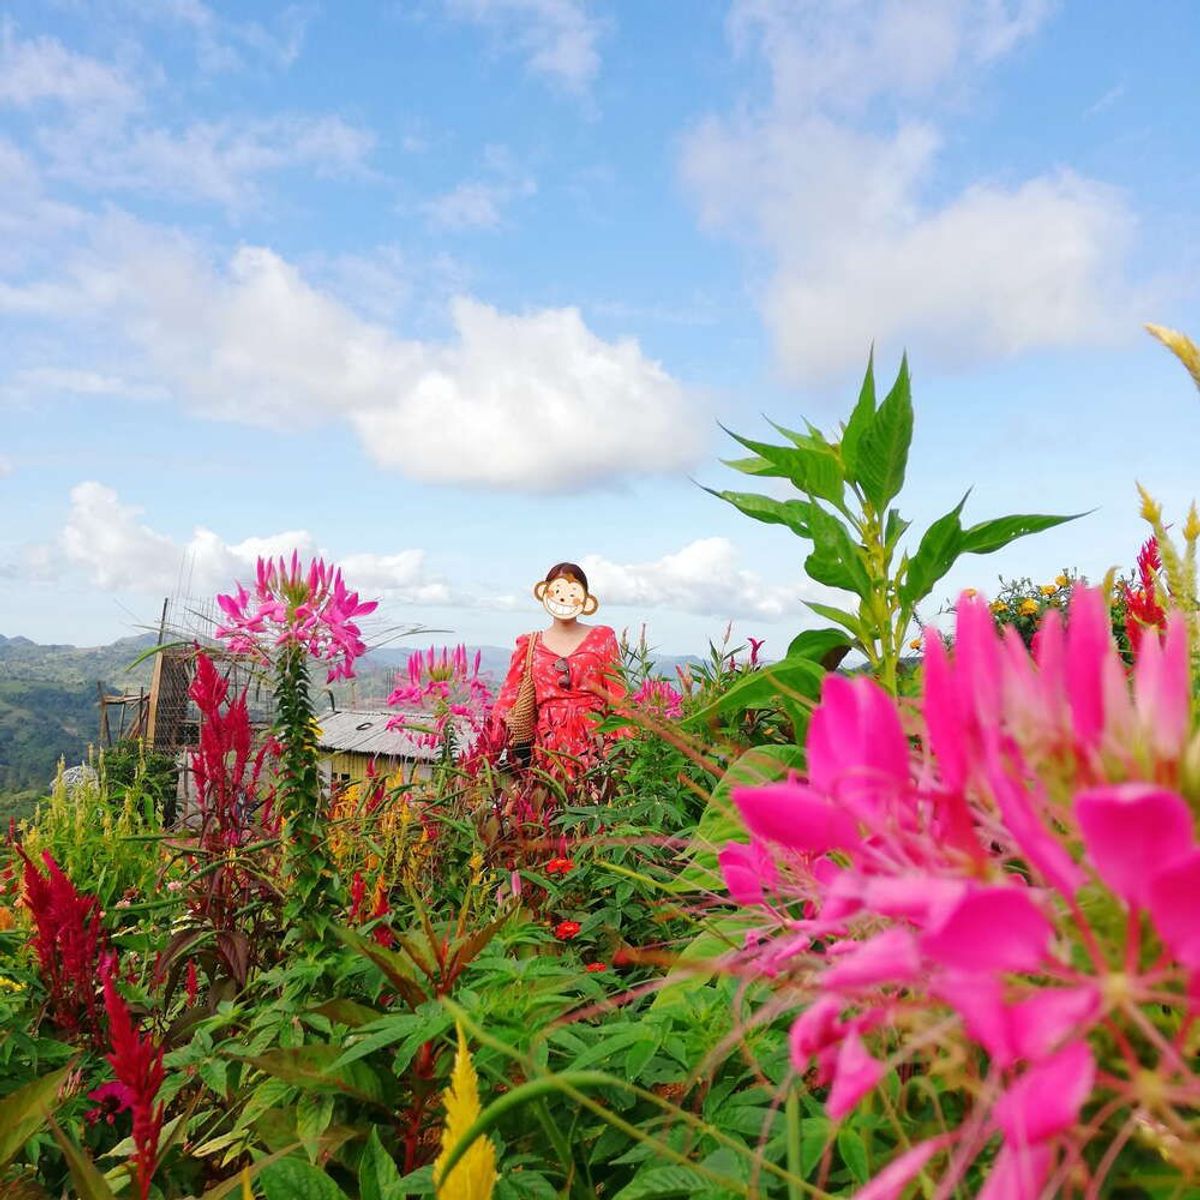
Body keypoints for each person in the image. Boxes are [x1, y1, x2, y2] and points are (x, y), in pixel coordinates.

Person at [490, 562, 626, 782]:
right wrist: (489, 752)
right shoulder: (529, 644)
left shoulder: (602, 638)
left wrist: (628, 752)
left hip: (597, 744)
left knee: (596, 806)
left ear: (585, 599)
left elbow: (620, 698)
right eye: (557, 591)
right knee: (550, 807)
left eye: (573, 593)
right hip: (546, 747)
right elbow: (507, 701)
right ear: (545, 593)